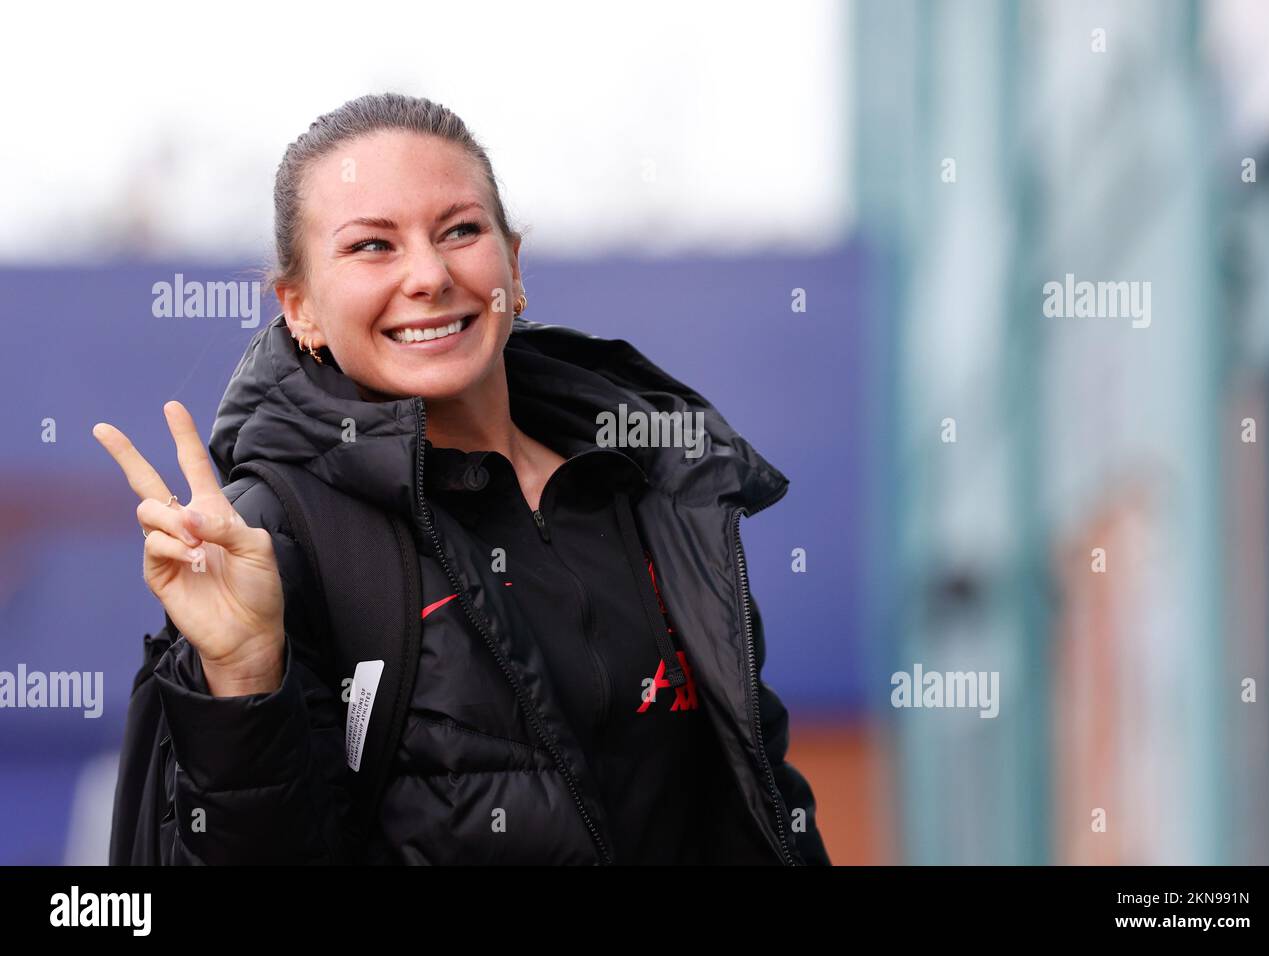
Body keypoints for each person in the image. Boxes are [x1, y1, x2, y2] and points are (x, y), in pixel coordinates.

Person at [93, 93, 830, 865]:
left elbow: (761, 803)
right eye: (372, 246)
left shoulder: (648, 480)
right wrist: (244, 678)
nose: (429, 275)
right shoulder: (263, 541)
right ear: (299, 308)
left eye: (461, 231)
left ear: (512, 263)